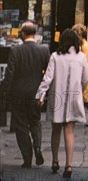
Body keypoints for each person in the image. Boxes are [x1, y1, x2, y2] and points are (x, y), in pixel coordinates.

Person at [36, 28, 88, 179]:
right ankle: (69, 164)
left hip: (57, 97)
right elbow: (86, 78)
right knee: (69, 131)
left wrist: (41, 95)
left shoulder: (55, 56)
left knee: (56, 130)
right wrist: (80, 88)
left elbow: (48, 78)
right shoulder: (81, 57)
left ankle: (54, 161)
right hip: (73, 97)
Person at [1, 21, 50, 168]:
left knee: (21, 125)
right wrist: (43, 93)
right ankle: (38, 147)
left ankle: (27, 158)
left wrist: (5, 93)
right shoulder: (44, 50)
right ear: (34, 33)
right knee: (35, 122)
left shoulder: (15, 50)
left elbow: (10, 74)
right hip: (36, 93)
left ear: (23, 33)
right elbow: (48, 74)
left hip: (18, 93)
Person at [72, 23, 88, 127]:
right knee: (85, 98)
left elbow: (83, 62)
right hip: (86, 73)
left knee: (87, 99)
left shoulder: (82, 46)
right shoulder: (83, 43)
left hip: (84, 74)